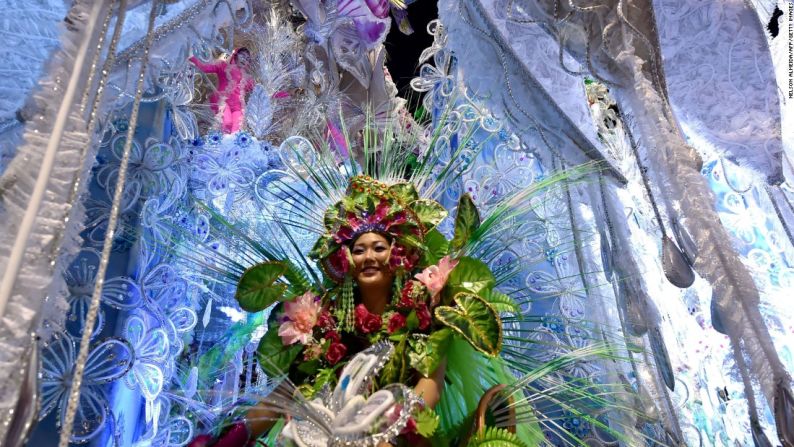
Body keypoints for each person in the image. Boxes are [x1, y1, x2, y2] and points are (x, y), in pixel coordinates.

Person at [189, 48, 255, 134]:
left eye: (247, 59)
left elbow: (260, 90)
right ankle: (223, 144)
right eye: (242, 55)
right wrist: (190, 55)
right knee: (227, 123)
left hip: (238, 107)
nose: (244, 59)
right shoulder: (223, 66)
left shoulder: (247, 78)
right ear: (236, 55)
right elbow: (204, 67)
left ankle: (231, 146)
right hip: (223, 102)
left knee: (237, 130)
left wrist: (276, 92)